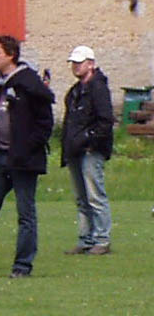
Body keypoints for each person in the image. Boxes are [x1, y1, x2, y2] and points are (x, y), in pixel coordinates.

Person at [0, 35, 54, 278]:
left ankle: (22, 265)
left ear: (10, 55)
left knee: (25, 213)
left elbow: (44, 124)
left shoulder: (29, 84)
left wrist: (26, 148)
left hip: (23, 160)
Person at [61, 44, 114, 256]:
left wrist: (90, 140)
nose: (75, 66)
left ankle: (101, 238)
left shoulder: (98, 89)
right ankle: (86, 238)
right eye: (73, 63)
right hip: (75, 149)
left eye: (79, 62)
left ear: (90, 64)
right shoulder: (75, 92)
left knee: (94, 195)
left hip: (91, 150)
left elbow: (105, 120)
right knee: (81, 197)